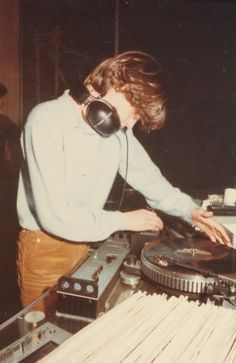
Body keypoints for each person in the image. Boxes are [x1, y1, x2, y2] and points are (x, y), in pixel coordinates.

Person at [16, 51, 230, 311]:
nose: (130, 124)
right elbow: (57, 217)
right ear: (118, 85)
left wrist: (189, 210)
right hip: (45, 250)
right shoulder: (46, 120)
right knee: (46, 339)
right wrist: (124, 220)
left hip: (85, 244)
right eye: (135, 112)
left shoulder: (116, 131)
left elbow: (151, 181)